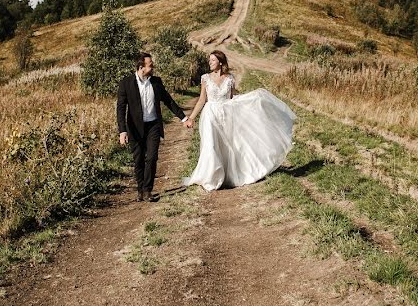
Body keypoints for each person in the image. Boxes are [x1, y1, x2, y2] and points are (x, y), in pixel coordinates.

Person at [182, 50, 296, 191]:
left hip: (227, 114)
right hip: (210, 114)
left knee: (228, 145)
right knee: (211, 145)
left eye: (212, 60)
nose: (209, 62)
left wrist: (249, 103)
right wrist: (191, 117)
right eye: (209, 60)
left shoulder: (230, 78)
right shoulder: (205, 78)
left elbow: (231, 99)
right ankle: (212, 177)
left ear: (220, 62)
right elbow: (201, 100)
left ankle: (227, 174)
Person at [116, 53, 190, 202]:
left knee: (152, 157)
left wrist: (184, 118)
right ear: (141, 67)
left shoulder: (156, 82)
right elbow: (121, 108)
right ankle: (140, 190)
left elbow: (168, 101)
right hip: (135, 128)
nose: (153, 66)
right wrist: (122, 130)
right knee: (138, 160)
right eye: (150, 64)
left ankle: (147, 190)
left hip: (153, 125)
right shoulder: (126, 83)